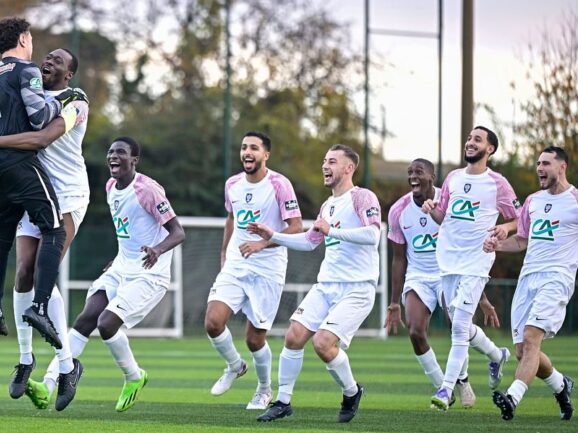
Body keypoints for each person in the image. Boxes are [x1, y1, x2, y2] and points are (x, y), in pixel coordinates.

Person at [0, 47, 89, 410]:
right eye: (47, 57)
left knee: (41, 271)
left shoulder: (75, 100)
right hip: (32, 188)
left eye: (58, 61)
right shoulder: (27, 90)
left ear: (68, 74)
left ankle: (67, 366)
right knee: (22, 273)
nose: (48, 61)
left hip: (68, 194)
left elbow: (41, 139)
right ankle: (25, 359)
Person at [0, 17, 75, 349]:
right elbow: (39, 118)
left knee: (2, 236)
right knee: (54, 230)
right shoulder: (26, 70)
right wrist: (61, 101)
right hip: (18, 161)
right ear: (23, 39)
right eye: (32, 38)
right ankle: (39, 308)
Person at [248, 144, 379, 423]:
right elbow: (309, 242)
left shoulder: (362, 197)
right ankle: (283, 402)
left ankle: (352, 391)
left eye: (332, 162)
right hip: (326, 285)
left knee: (323, 343)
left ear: (349, 168)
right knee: (293, 336)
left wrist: (333, 231)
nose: (325, 166)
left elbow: (373, 235)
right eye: (324, 161)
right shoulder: (327, 206)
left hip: (357, 288)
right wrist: (273, 236)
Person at [61, 137, 185, 412]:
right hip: (121, 268)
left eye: (120, 152)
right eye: (110, 152)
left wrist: (157, 250)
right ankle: (50, 382)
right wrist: (118, 259)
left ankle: (134, 376)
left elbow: (178, 232)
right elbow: (128, 232)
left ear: (134, 160)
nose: (113, 156)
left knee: (106, 324)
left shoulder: (147, 190)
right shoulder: (110, 187)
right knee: (86, 318)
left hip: (148, 274)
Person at [385, 158, 499, 408]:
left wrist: (482, 298)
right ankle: (443, 388)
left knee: (458, 326)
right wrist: (393, 303)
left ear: (432, 177)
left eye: (419, 172)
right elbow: (398, 258)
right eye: (410, 172)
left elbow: (466, 246)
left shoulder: (449, 201)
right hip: (419, 277)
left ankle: (474, 371)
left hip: (450, 271)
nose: (413, 176)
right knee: (415, 331)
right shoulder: (398, 210)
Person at [422, 126, 520, 410]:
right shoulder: (453, 177)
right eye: (468, 138)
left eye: (477, 139)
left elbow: (520, 219)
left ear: (490, 149)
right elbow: (444, 217)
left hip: (477, 260)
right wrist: (431, 208)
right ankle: (497, 355)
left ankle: (445, 389)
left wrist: (505, 228)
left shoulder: (498, 183)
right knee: (461, 326)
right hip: (448, 261)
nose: (470, 143)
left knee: (459, 328)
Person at [204, 131, 303, 410]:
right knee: (213, 322)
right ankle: (235, 366)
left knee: (254, 338)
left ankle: (264, 389)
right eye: (244, 147)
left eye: (254, 148)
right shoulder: (232, 184)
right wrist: (224, 252)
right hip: (237, 263)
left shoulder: (279, 184)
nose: (247, 152)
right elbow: (231, 218)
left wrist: (262, 243)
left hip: (268, 268)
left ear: (266, 155)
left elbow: (296, 227)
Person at [484, 146, 575, 421]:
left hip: (557, 278)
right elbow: (522, 240)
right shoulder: (533, 201)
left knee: (532, 338)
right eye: (537, 164)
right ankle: (561, 385)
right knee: (524, 351)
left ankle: (512, 397)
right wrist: (497, 245)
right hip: (527, 279)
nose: (539, 168)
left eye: (546, 163)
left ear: (562, 167)